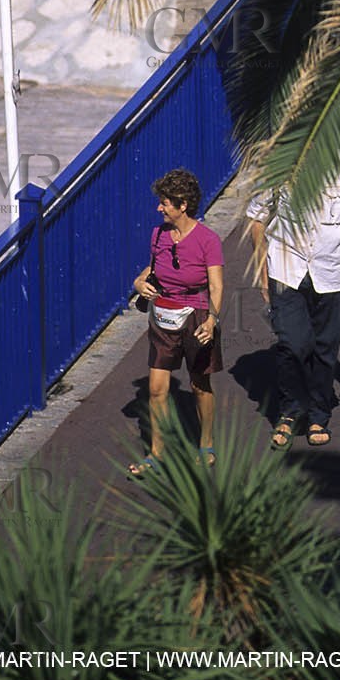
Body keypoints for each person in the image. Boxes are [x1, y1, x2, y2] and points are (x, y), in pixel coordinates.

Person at [246, 157, 340, 449]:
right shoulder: (280, 158)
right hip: (286, 272)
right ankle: (290, 412)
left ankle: (318, 415)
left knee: (325, 348)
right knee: (292, 343)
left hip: (331, 273)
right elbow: (257, 219)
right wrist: (262, 274)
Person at [129, 167, 224, 475]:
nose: (159, 208)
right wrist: (138, 283)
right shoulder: (158, 234)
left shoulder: (208, 240)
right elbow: (151, 270)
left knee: (199, 384)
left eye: (165, 202)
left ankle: (205, 443)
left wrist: (212, 320)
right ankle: (156, 454)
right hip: (162, 317)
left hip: (196, 318)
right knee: (156, 389)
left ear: (183, 205)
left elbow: (217, 285)